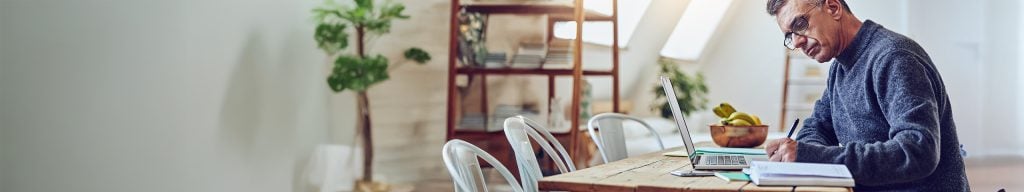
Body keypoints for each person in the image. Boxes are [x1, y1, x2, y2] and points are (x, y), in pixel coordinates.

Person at [761, 0, 970, 191]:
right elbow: (816, 127)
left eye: (800, 24)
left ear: (833, 8)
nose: (796, 42)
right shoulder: (839, 68)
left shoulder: (894, 57)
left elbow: (918, 151)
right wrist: (808, 154)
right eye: (790, 35)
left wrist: (813, 156)